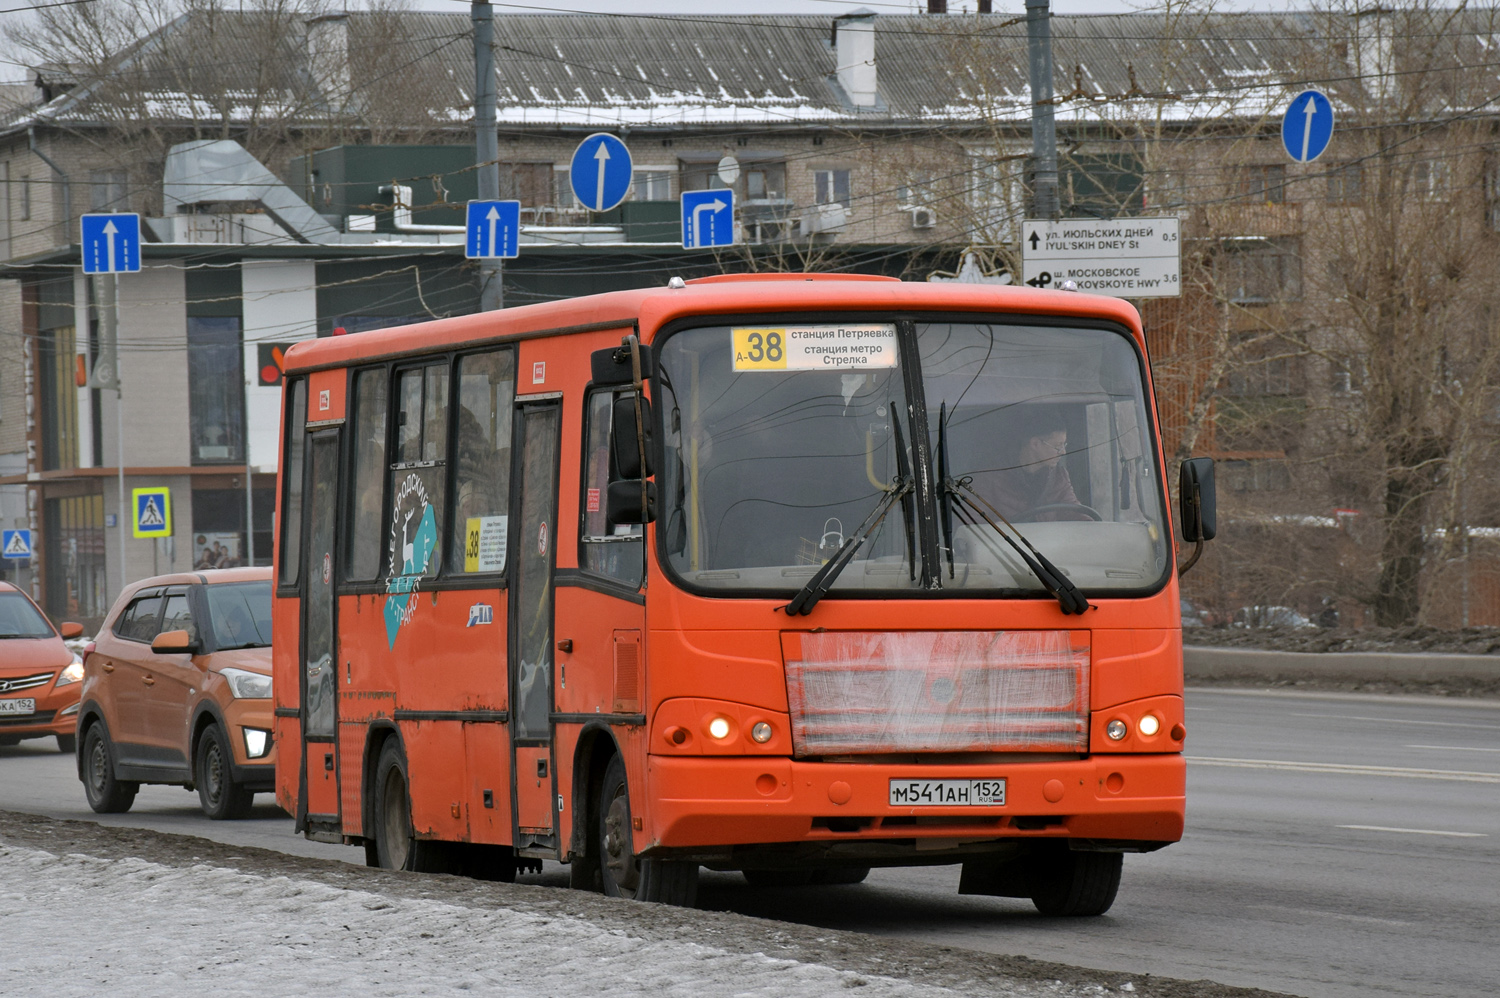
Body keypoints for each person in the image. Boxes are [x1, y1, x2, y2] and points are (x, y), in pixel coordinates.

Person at [975, 407, 1083, 521]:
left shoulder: (1059, 476)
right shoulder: (989, 478)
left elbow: (1075, 512)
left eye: (1064, 446)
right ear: (1035, 443)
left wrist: (1091, 526)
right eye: (1057, 446)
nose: (1063, 452)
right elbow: (972, 525)